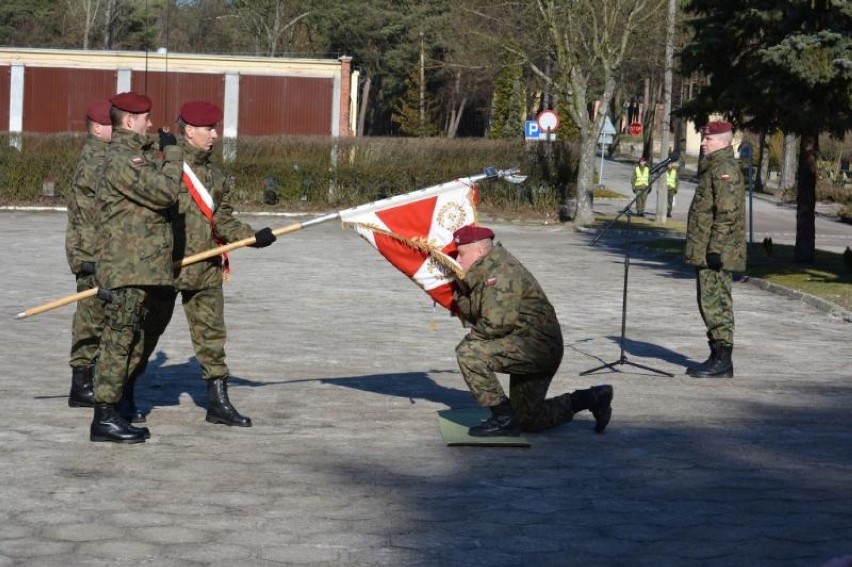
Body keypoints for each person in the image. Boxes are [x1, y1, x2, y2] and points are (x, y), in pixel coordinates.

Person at [122, 100, 277, 428]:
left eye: (214, 128)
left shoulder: (216, 174)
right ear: (190, 131)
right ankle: (124, 394)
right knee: (145, 334)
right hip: (164, 267)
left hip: (205, 267)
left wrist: (251, 236)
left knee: (212, 337)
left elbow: (222, 220)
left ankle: (218, 403)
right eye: (209, 128)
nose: (215, 135)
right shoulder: (162, 163)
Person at [451, 224, 613, 437]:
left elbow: (495, 326)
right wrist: (461, 290)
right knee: (528, 419)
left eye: (461, 254)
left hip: (536, 348)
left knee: (468, 353)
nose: (458, 260)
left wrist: (472, 340)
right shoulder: (487, 271)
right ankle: (590, 398)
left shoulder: (500, 273)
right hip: (529, 345)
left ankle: (503, 418)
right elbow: (478, 315)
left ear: (480, 251)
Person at [89, 91, 184, 443]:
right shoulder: (122, 160)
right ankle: (104, 417)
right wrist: (173, 153)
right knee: (117, 341)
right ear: (129, 121)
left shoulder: (133, 156)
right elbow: (165, 192)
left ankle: (114, 411)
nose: (150, 126)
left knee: (127, 339)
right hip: (125, 268)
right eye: (145, 119)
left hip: (138, 267)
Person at [684, 120, 746, 378]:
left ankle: (723, 360)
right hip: (706, 249)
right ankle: (716, 354)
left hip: (716, 252)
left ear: (722, 140)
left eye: (707, 139)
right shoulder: (713, 167)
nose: (703, 143)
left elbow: (727, 213)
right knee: (708, 302)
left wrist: (715, 249)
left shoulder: (725, 169)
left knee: (717, 303)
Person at [65, 100, 112, 408]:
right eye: (112, 124)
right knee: (90, 319)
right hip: (91, 253)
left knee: (96, 317)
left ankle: (88, 380)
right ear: (97, 128)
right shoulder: (97, 160)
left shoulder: (102, 156)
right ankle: (81, 386)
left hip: (94, 251)